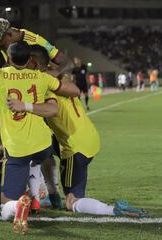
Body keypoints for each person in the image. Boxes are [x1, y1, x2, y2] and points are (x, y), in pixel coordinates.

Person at [0, 41, 80, 234]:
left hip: (18, 148)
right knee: (35, 162)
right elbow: (73, 91)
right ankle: (37, 195)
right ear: (30, 59)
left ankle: (20, 204)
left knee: (5, 204)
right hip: (44, 145)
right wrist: (54, 76)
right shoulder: (41, 77)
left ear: (8, 59)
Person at [11, 45, 145, 217]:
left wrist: (24, 106)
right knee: (42, 150)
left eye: (25, 62)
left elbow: (50, 109)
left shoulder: (42, 83)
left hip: (75, 146)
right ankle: (50, 194)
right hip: (88, 137)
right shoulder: (57, 77)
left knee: (72, 201)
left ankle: (113, 210)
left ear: (34, 63)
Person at [0, 18, 73, 74]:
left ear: (9, 34)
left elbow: (67, 62)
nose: (0, 49)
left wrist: (54, 74)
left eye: (2, 45)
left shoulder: (36, 41)